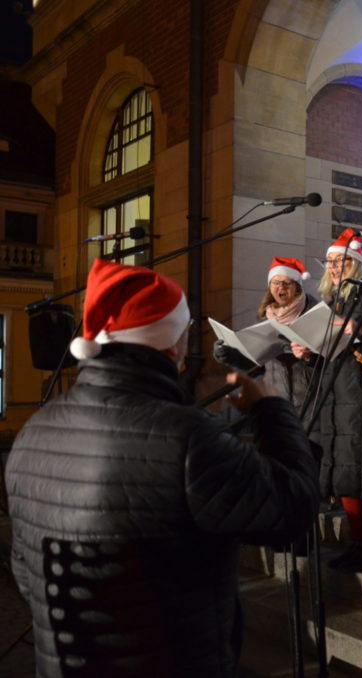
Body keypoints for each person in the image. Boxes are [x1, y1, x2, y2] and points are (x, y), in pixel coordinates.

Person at [5, 258, 319, 678]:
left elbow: (27, 572)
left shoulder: (33, 430)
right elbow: (293, 509)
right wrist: (272, 410)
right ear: (170, 344)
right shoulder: (188, 438)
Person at [296, 231, 362, 571]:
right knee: (342, 469)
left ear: (356, 264)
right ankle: (355, 540)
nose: (335, 267)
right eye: (331, 262)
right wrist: (307, 352)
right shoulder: (329, 303)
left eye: (342, 262)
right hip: (334, 393)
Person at [212, 256, 318, 428]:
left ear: (298, 287)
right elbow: (256, 363)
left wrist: (307, 355)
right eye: (275, 283)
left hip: (311, 407)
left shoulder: (314, 314)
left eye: (287, 283)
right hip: (277, 405)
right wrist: (229, 355)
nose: (280, 287)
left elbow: (329, 359)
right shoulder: (267, 317)